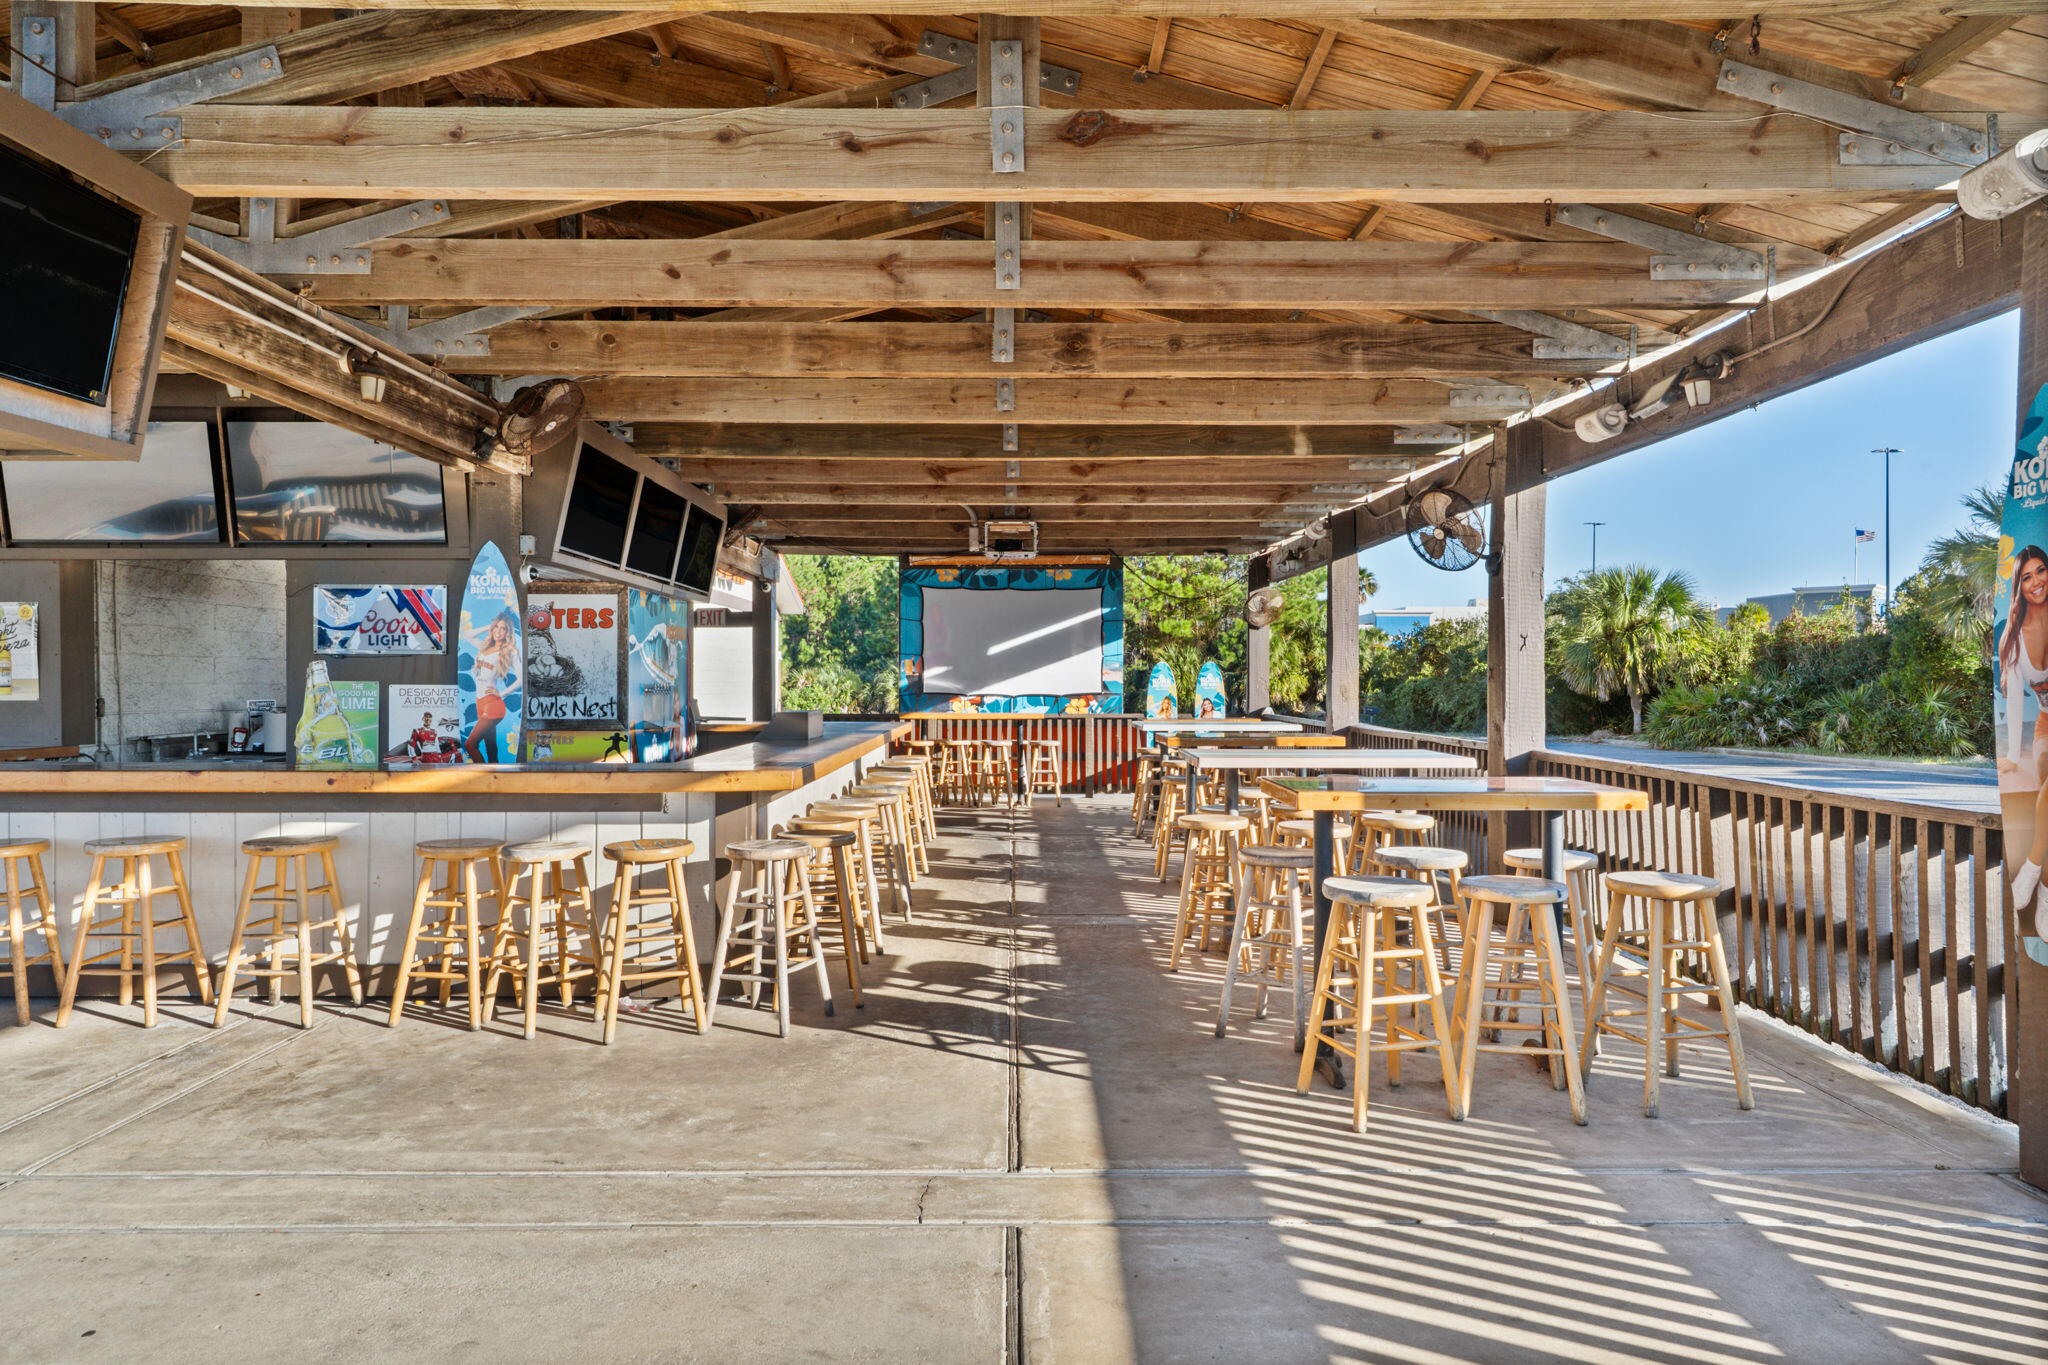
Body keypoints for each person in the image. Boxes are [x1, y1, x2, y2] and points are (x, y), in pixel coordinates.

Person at [1996, 545, 2048, 937]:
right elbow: (2014, 702)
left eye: (2041, 571)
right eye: (2027, 576)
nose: (2036, 582)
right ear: (2019, 586)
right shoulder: (2014, 639)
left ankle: (2035, 874)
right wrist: (2013, 755)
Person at [465, 611, 520, 763]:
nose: (498, 631)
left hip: (492, 704)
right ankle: (495, 775)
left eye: (503, 628)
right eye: (496, 627)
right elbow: (467, 635)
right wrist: (489, 626)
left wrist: (502, 694)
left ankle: (483, 775)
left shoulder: (510, 651)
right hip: (479, 701)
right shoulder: (484, 648)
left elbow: (521, 679)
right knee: (491, 747)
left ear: (508, 632)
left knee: (470, 745)